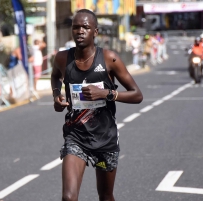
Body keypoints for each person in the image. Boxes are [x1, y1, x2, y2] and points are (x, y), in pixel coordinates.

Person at [51, 9, 143, 201]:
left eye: (86, 27)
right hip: (76, 138)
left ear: (95, 31)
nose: (80, 31)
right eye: (76, 27)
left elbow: (137, 95)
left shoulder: (110, 59)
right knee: (68, 197)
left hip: (105, 140)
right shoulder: (62, 58)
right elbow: (55, 76)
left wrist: (106, 94)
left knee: (105, 196)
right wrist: (56, 95)